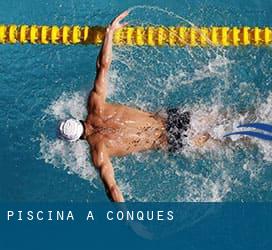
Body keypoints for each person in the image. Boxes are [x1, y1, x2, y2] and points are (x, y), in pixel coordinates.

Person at [58, 11, 210, 202]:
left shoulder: (99, 152)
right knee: (226, 118)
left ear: (76, 140)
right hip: (172, 118)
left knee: (227, 141)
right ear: (76, 119)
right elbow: (103, 66)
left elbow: (112, 189)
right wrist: (109, 33)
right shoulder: (95, 105)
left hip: (171, 140)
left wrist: (130, 221)